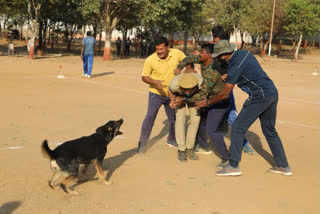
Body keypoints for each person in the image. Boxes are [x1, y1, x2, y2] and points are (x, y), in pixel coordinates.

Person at [196, 40, 291, 176]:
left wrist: (207, 102)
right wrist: (229, 76)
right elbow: (247, 70)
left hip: (260, 96)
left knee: (237, 128)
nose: (218, 59)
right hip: (272, 92)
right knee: (269, 130)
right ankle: (283, 166)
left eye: (219, 56)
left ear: (224, 54)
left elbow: (225, 94)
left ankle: (233, 166)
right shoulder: (245, 54)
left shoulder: (233, 66)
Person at [173, 43, 231, 168]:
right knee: (196, 120)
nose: (199, 54)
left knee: (209, 127)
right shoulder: (202, 60)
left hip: (216, 100)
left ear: (209, 55)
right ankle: (187, 149)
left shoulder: (212, 72)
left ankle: (227, 158)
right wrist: (180, 67)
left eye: (202, 52)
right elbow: (189, 58)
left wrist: (182, 99)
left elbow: (202, 95)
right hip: (207, 97)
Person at [136, 36, 186, 153]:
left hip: (172, 94)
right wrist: (154, 82)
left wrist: (181, 67)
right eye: (157, 49)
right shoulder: (150, 59)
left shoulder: (177, 53)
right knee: (149, 117)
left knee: (174, 119)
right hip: (156, 94)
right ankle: (142, 144)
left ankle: (171, 139)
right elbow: (144, 77)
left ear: (168, 47)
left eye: (162, 49)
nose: (159, 52)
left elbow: (187, 61)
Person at [168, 66, 203, 162]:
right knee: (180, 119)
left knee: (195, 120)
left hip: (195, 97)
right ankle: (181, 149)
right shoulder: (174, 84)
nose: (188, 92)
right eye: (186, 89)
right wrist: (173, 101)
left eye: (190, 89)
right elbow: (170, 91)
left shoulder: (201, 83)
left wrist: (202, 103)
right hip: (179, 96)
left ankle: (190, 148)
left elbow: (205, 95)